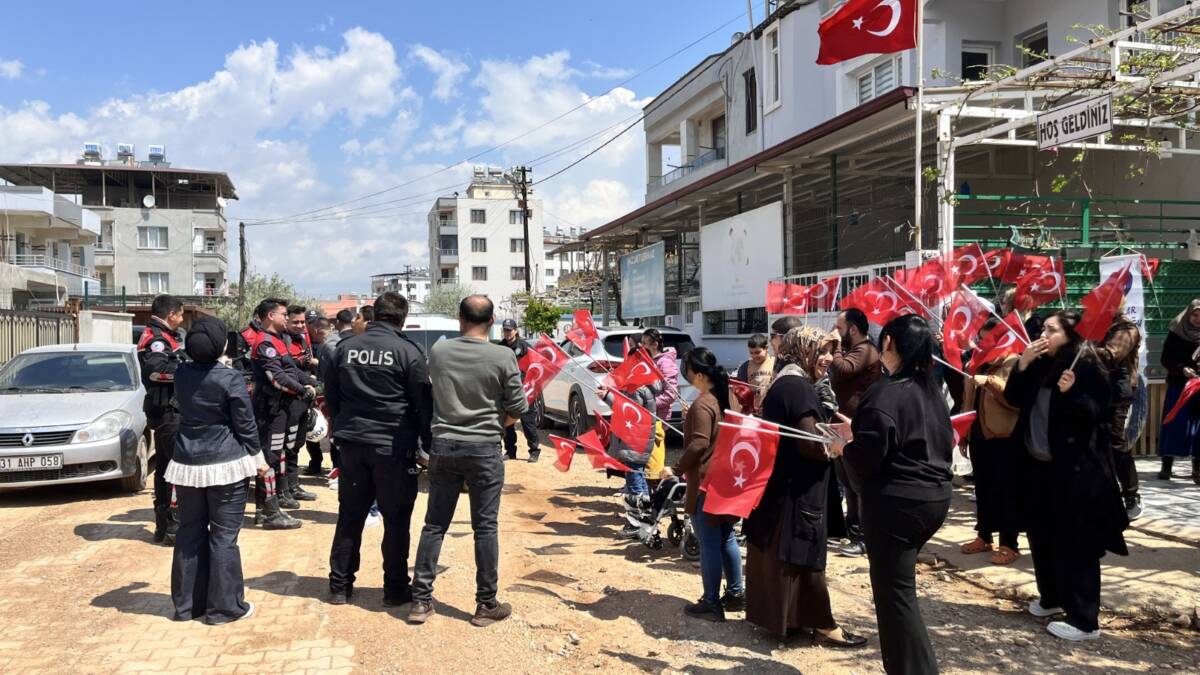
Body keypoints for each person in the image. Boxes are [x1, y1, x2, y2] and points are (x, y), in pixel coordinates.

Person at [831, 314, 953, 674]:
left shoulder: (884, 392)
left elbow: (868, 456)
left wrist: (843, 448)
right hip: (934, 498)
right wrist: (860, 431)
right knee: (900, 591)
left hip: (898, 504)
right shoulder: (929, 391)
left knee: (895, 596)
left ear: (888, 344)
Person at [1003, 310, 1128, 641]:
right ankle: (1051, 598)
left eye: (1051, 329)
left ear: (1070, 334)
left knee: (1077, 545)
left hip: (1075, 473)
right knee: (1042, 538)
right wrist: (1024, 363)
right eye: (1042, 328)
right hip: (1037, 467)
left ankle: (1085, 620)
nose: (1043, 334)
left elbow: (1100, 413)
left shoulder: (1087, 364)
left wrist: (1073, 393)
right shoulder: (1041, 363)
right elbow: (1013, 398)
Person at [409, 295, 527, 627]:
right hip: (485, 448)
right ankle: (485, 604)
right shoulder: (503, 355)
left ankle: (420, 601)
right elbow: (518, 408)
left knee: (434, 525)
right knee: (485, 527)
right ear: (492, 322)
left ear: (460, 318)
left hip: (444, 446)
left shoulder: (440, 351)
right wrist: (496, 424)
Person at [745, 326, 866, 647]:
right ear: (803, 349)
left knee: (788, 555)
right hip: (796, 490)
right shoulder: (798, 387)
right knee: (804, 555)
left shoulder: (789, 380)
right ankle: (823, 624)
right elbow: (811, 444)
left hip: (785, 487)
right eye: (822, 350)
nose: (827, 358)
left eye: (831, 351)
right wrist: (845, 441)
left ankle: (791, 620)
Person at [325, 292, 431, 607]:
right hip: (393, 448)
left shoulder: (344, 349)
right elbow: (422, 404)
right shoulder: (409, 352)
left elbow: (332, 396)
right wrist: (427, 443)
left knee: (350, 515)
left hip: (352, 445)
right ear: (403, 318)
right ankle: (395, 589)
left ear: (374, 316)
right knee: (396, 519)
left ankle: (340, 587)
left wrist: (343, 427)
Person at [166, 316, 266, 625]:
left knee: (189, 533)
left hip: (186, 464)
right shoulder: (230, 377)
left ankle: (186, 607)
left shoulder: (181, 373)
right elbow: (245, 423)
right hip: (225, 464)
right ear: (222, 345)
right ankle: (224, 608)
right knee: (223, 538)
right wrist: (258, 457)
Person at [659, 347, 740, 622]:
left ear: (697, 374)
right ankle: (736, 593)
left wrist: (676, 468)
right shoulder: (725, 397)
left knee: (709, 543)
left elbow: (700, 442)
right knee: (726, 537)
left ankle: (711, 602)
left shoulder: (704, 403)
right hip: (727, 479)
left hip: (706, 482)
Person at [959, 318, 1023, 565]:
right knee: (983, 488)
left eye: (988, 340)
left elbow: (1015, 401)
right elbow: (968, 400)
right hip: (979, 435)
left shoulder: (1014, 363)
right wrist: (964, 433)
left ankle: (1010, 543)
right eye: (981, 339)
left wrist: (992, 384)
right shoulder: (975, 363)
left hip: (1004, 436)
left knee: (1007, 491)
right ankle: (984, 536)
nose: (982, 344)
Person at [248, 299, 306, 530]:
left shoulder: (277, 340)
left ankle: (265, 509)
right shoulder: (265, 343)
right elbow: (277, 378)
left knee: (275, 456)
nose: (287, 318)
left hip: (279, 408)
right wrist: (301, 390)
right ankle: (270, 513)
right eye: (283, 314)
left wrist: (309, 381)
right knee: (269, 459)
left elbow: (290, 369)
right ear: (271, 316)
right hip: (269, 410)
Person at [829, 307, 881, 558]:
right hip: (844, 426)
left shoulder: (866, 350)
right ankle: (854, 533)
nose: (835, 333)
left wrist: (836, 346)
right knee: (848, 482)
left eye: (839, 329)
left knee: (857, 483)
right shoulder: (853, 351)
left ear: (853, 329)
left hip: (857, 427)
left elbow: (842, 370)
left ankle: (864, 538)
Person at [138, 294, 186, 545]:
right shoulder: (157, 338)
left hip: (168, 411)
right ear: (171, 314)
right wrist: (188, 372)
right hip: (168, 412)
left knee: (166, 469)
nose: (181, 319)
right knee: (175, 471)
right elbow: (156, 372)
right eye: (180, 314)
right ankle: (174, 528)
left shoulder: (163, 336)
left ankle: (165, 527)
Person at [1095, 310, 1144, 519]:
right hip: (1093, 388)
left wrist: (1083, 348)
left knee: (1115, 442)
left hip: (1117, 391)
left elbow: (1111, 354)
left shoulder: (1126, 329)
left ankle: (1131, 494)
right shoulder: (1094, 324)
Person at [599, 377, 662, 536]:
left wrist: (608, 397)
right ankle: (646, 521)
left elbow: (629, 411)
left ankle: (636, 525)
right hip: (638, 440)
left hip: (634, 441)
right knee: (639, 481)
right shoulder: (643, 385)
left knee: (634, 484)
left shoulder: (637, 388)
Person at [1157, 299, 1200, 484]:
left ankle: (1197, 468)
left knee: (1198, 426)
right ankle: (1167, 465)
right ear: (1188, 314)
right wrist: (1182, 369)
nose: (1198, 319)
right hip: (1178, 385)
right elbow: (1165, 359)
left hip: (1199, 386)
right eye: (1195, 314)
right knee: (1173, 422)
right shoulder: (1176, 333)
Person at [281, 306, 318, 504]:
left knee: (298, 443)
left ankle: (294, 485)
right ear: (286, 321)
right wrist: (309, 383)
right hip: (289, 400)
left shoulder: (303, 339)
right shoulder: (283, 341)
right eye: (295, 322)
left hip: (304, 399)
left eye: (303, 322)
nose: (300, 325)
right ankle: (284, 488)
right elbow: (288, 371)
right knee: (287, 445)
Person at [500, 319, 541, 462]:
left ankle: (534, 451)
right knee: (507, 422)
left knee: (528, 421)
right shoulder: (501, 347)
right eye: (505, 330)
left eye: (510, 330)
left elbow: (536, 365)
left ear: (516, 331)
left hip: (524, 390)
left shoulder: (524, 347)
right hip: (506, 390)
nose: (507, 333)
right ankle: (510, 451)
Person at [641, 328, 679, 423]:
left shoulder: (665, 363)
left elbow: (670, 394)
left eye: (644, 343)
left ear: (655, 345)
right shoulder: (647, 360)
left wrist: (647, 403)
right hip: (647, 414)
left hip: (658, 417)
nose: (641, 346)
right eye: (641, 343)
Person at [734, 333, 775, 414]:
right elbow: (740, 391)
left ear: (766, 348)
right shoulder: (745, 367)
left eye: (757, 352)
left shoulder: (775, 363)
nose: (754, 356)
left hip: (772, 410)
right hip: (753, 412)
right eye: (751, 353)